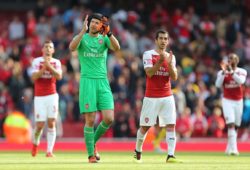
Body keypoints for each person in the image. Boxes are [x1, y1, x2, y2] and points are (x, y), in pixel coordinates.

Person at [69, 13, 120, 163]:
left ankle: (92, 143)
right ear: (88, 23)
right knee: (90, 120)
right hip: (87, 82)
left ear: (101, 26)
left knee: (109, 118)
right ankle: (91, 154)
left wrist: (109, 33)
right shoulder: (82, 38)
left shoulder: (104, 38)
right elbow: (72, 47)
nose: (93, 24)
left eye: (97, 23)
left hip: (103, 82)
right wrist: (81, 31)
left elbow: (117, 48)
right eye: (92, 22)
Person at [134, 29, 181, 163]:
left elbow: (174, 77)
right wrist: (160, 62)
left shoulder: (171, 56)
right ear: (156, 40)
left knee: (171, 125)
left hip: (167, 95)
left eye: (165, 39)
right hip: (151, 97)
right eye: (160, 38)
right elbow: (149, 73)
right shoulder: (148, 54)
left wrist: (169, 64)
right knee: (145, 127)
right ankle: (138, 150)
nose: (163, 41)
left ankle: (170, 155)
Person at [31, 40, 62, 157]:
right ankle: (35, 143)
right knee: (39, 125)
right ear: (42, 50)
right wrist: (45, 67)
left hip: (52, 95)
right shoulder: (36, 61)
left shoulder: (56, 62)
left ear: (53, 50)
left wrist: (49, 66)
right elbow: (34, 77)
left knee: (51, 122)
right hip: (39, 97)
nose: (48, 49)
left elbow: (59, 76)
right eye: (46, 47)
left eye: (50, 47)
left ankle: (49, 151)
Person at [215, 53, 247, 155]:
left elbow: (241, 81)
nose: (230, 61)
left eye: (232, 59)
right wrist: (224, 73)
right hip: (227, 101)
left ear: (237, 61)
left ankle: (229, 147)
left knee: (236, 126)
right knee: (231, 124)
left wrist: (231, 72)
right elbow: (217, 84)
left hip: (238, 101)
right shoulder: (221, 72)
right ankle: (235, 149)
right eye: (229, 59)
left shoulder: (242, 71)